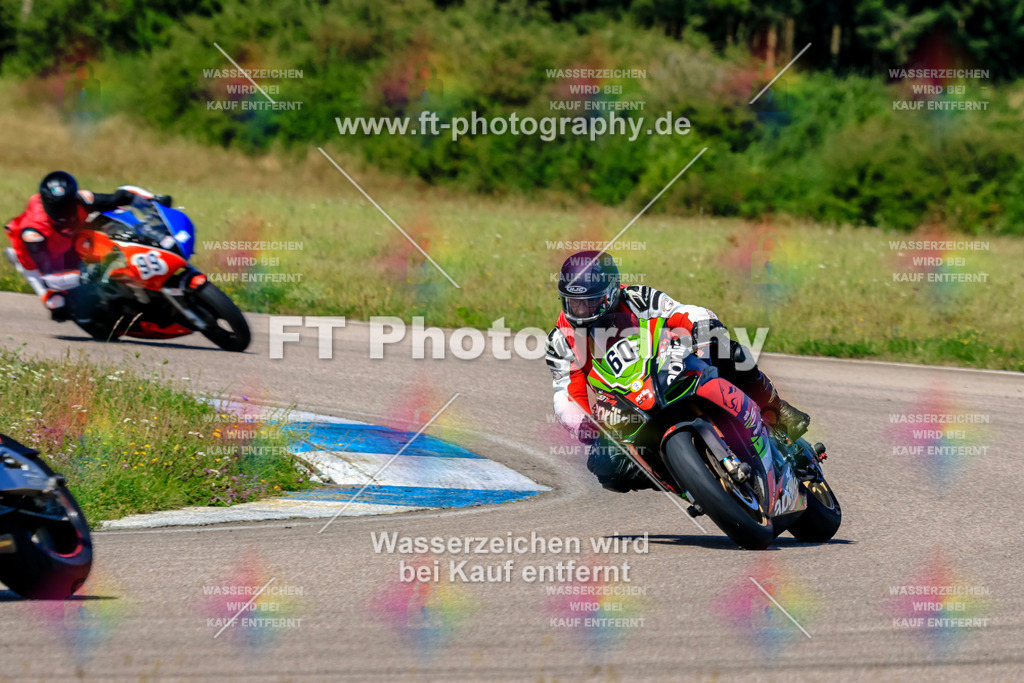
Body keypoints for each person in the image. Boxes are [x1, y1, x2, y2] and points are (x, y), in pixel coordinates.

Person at [544, 250, 811, 492]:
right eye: (573, 303)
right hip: (624, 405)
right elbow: (567, 393)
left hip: (668, 368)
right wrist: (583, 424)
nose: (581, 312)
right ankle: (688, 479)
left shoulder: (637, 297)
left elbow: (685, 312)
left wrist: (702, 336)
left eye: (591, 303)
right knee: (605, 467)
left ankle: (775, 408)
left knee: (725, 349)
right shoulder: (561, 340)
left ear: (612, 292)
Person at [4, 171, 170, 322]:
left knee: (112, 216)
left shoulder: (82, 199)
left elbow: (121, 196)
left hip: (73, 239)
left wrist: (152, 201)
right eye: (58, 208)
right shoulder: (33, 233)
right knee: (58, 308)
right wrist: (83, 276)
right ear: (48, 205)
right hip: (41, 265)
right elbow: (49, 277)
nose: (65, 211)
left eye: (68, 205)